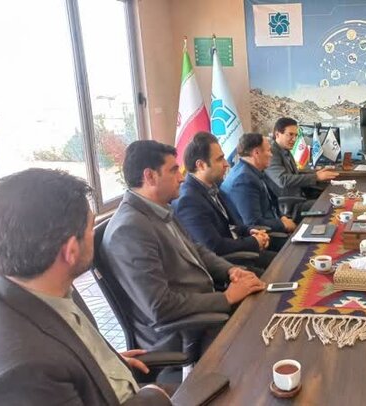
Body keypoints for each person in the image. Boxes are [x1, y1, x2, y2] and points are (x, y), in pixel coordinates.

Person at [0, 168, 172, 405]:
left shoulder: (22, 283)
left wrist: (96, 363)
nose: (93, 235)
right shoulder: (25, 373)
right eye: (90, 227)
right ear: (71, 251)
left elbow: (63, 347)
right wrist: (155, 395)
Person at [103, 140, 265, 353]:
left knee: (267, 303)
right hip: (183, 334)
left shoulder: (159, 208)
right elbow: (160, 307)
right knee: (264, 331)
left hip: (204, 310)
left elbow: (195, 250)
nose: (181, 178)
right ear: (149, 176)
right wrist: (226, 298)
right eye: (173, 171)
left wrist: (230, 270)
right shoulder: (129, 229)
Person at [172, 132, 276, 272]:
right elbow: (213, 246)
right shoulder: (188, 200)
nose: (226, 164)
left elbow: (231, 224)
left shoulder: (213, 185)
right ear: (201, 165)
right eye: (220, 159)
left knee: (285, 262)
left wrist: (251, 231)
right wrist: (253, 242)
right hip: (226, 266)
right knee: (281, 270)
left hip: (239, 252)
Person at [221, 132, 297, 234]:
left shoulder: (252, 170)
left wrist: (282, 217)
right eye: (268, 150)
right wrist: (283, 225)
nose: (271, 155)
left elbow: (271, 202)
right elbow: (254, 223)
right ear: (256, 153)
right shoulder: (244, 180)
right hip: (265, 235)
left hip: (273, 221)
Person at [265, 117, 339, 219]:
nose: (294, 139)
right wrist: (316, 177)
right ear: (277, 134)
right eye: (290, 134)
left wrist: (316, 174)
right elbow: (283, 180)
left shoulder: (285, 150)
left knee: (334, 198)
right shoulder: (272, 153)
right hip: (289, 207)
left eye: (296, 135)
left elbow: (295, 174)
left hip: (300, 197)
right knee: (330, 204)